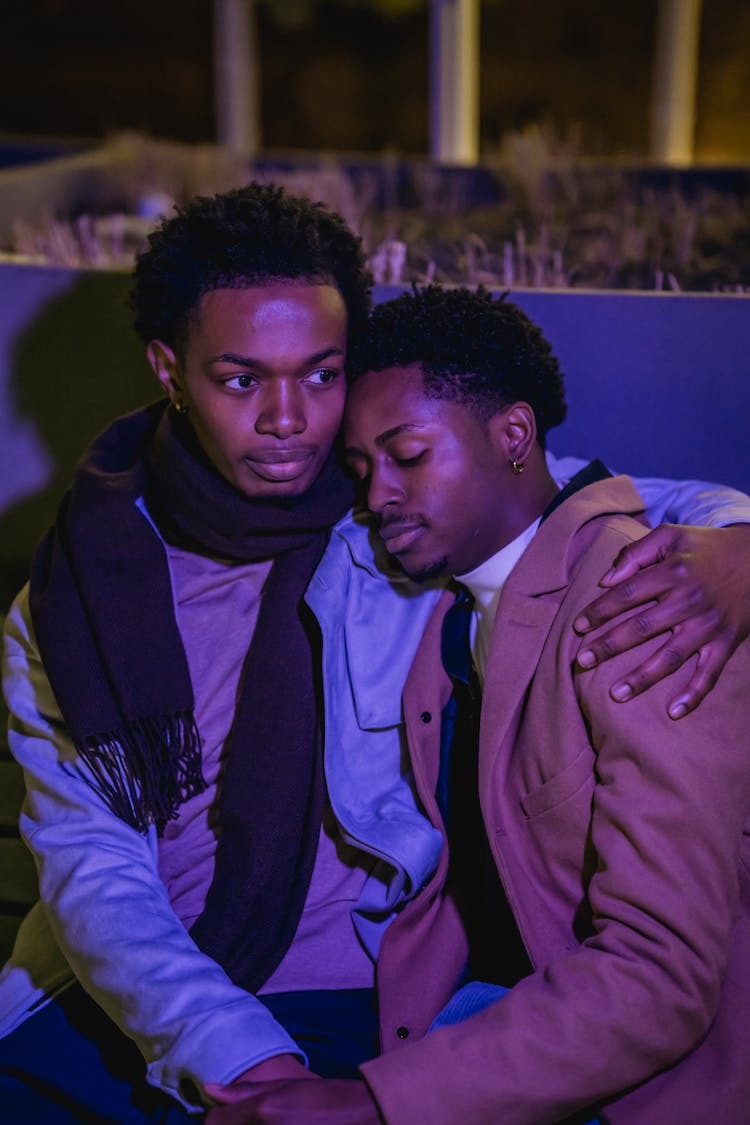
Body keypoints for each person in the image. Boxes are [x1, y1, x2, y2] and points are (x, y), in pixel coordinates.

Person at [0, 187, 748, 1123]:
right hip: (143, 991)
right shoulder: (73, 600)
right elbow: (93, 863)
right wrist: (242, 1055)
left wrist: (742, 545)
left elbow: (565, 492)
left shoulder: (389, 516)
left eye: (321, 374)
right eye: (240, 380)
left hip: (368, 987)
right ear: (169, 368)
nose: (290, 419)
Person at [207, 285, 750, 1123]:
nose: (376, 494)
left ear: (514, 435)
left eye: (408, 454)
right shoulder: (453, 617)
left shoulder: (634, 607)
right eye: (360, 468)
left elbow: (660, 976)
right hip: (500, 1014)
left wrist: (377, 1103)